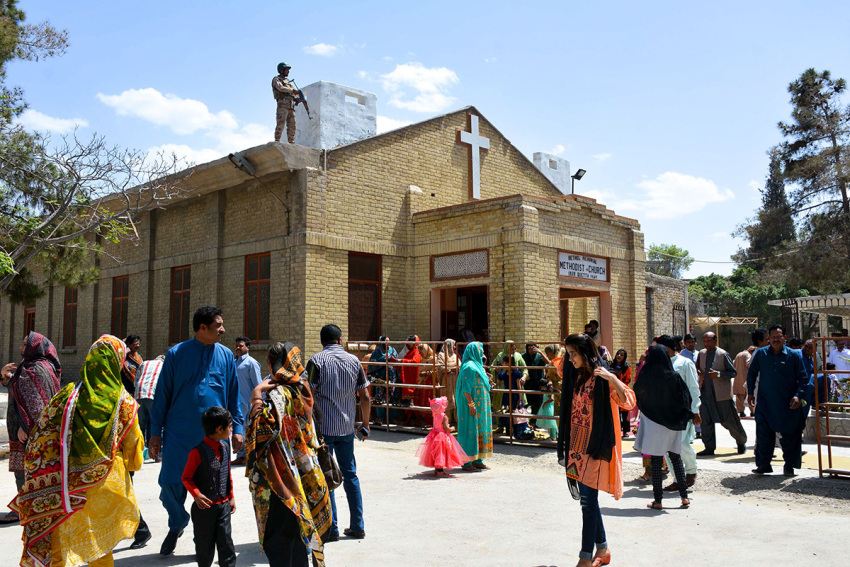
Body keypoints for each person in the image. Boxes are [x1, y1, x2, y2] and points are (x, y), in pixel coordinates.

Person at [13, 335, 144, 567]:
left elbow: (41, 436)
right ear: (117, 363)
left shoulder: (67, 396)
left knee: (60, 543)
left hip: (67, 487)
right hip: (107, 486)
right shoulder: (126, 403)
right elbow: (135, 456)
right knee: (101, 547)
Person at [149, 306, 244, 556]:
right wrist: (155, 433)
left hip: (215, 440)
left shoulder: (225, 356)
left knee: (212, 493)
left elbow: (234, 395)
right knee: (170, 485)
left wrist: (238, 428)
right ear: (202, 328)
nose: (223, 330)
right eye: (218, 325)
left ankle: (202, 544)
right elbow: (162, 396)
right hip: (179, 436)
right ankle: (177, 524)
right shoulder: (176, 354)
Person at [246, 341, 332, 567]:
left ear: (271, 364)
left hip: (280, 478)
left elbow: (257, 434)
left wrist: (256, 394)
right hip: (305, 473)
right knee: (297, 534)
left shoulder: (278, 394)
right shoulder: (303, 390)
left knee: (279, 536)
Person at [557, 333, 635, 567]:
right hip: (575, 449)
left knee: (588, 502)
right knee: (587, 501)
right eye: (568, 354)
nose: (570, 358)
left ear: (585, 353)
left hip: (594, 448)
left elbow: (629, 402)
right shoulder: (575, 375)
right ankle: (603, 548)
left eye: (573, 354)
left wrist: (613, 378)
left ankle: (584, 556)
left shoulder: (602, 378)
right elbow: (558, 365)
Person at [306, 324, 371, 541]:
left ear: (322, 341)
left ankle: (331, 528)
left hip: (323, 430)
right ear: (340, 340)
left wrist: (308, 425)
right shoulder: (354, 361)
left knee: (326, 477)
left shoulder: (316, 361)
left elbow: (309, 395)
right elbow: (365, 397)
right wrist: (365, 424)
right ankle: (357, 525)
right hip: (346, 429)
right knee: (350, 475)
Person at [0, 331, 61, 525]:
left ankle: (28, 511)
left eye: (26, 344)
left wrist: (25, 427)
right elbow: (19, 390)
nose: (21, 347)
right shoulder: (40, 366)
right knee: (33, 471)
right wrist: (3, 376)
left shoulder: (33, 369)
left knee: (26, 473)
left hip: (28, 433)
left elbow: (36, 404)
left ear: (34, 347)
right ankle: (33, 508)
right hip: (38, 432)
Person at [633, 343, 694, 510]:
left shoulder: (646, 376)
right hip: (673, 424)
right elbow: (685, 398)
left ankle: (658, 501)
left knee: (656, 462)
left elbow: (637, 391)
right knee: (676, 459)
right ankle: (684, 498)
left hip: (654, 424)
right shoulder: (674, 376)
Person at [747, 325, 808, 476]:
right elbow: (752, 373)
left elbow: (803, 378)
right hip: (765, 403)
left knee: (789, 437)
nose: (775, 339)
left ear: (784, 338)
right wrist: (750, 393)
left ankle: (789, 465)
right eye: (772, 337)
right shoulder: (761, 354)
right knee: (763, 435)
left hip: (787, 404)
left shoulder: (794, 356)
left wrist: (798, 396)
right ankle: (764, 465)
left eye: (778, 336)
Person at [695, 331, 748, 456]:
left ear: (715, 341)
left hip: (721, 395)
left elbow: (733, 373)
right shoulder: (701, 354)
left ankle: (741, 442)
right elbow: (697, 368)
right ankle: (709, 447)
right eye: (705, 341)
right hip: (705, 394)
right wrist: (699, 373)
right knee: (705, 422)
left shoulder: (723, 354)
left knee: (729, 421)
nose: (707, 343)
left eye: (709, 341)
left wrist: (719, 374)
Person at [661, 335, 701, 492]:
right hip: (665, 413)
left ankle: (691, 470)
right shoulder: (660, 365)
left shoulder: (685, 363)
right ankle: (678, 478)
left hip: (683, 411)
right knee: (667, 447)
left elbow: (693, 388)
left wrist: (695, 410)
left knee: (681, 444)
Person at [456, 341, 494, 472]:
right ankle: (467, 463)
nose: (482, 352)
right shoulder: (469, 367)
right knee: (470, 431)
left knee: (481, 430)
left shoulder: (478, 366)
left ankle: (478, 460)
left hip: (482, 407)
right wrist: (471, 405)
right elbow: (466, 389)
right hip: (472, 407)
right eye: (480, 350)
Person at [415, 396, 470, 477]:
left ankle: (437, 470)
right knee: (442, 453)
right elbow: (445, 427)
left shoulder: (435, 415)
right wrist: (452, 428)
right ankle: (440, 471)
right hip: (442, 436)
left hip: (435, 435)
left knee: (437, 453)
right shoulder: (443, 416)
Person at [233, 335, 263, 465]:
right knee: (239, 429)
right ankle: (240, 456)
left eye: (241, 346)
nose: (238, 348)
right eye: (237, 346)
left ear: (248, 347)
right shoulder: (234, 362)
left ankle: (248, 456)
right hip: (237, 402)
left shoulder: (251, 363)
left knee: (248, 429)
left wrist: (257, 402)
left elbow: (258, 384)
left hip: (248, 403)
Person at [734, 328, 769, 418]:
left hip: (739, 379)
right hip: (751, 381)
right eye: (767, 339)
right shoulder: (755, 354)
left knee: (740, 397)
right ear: (759, 341)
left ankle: (741, 412)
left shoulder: (739, 354)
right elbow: (751, 368)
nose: (769, 342)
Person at [136, 354, 165, 460]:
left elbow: (136, 378)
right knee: (155, 425)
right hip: (153, 394)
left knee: (140, 427)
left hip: (139, 393)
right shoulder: (164, 365)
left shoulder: (144, 363)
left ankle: (138, 454)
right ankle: (156, 455)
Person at [496, 354, 530, 439]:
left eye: (504, 362)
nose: (502, 364)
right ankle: (508, 432)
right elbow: (497, 383)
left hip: (514, 396)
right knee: (507, 412)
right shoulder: (503, 374)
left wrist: (519, 398)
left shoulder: (516, 373)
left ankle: (516, 432)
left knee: (515, 413)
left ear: (508, 363)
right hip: (507, 396)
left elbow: (519, 387)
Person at [522, 343, 550, 427]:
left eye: (532, 348)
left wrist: (540, 352)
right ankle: (524, 423)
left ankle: (533, 423)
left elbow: (548, 362)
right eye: (529, 349)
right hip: (527, 384)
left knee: (536, 405)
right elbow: (518, 367)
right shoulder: (523, 356)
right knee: (525, 404)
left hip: (537, 384)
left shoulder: (539, 357)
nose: (531, 351)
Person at [434, 339, 460, 426]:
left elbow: (460, 366)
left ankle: (457, 421)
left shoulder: (455, 355)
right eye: (453, 345)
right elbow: (441, 368)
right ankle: (446, 423)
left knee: (456, 400)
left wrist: (450, 367)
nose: (454, 347)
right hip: (446, 381)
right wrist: (452, 368)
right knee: (447, 401)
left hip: (455, 381)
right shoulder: (441, 355)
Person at [273, 62, 299, 143]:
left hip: (291, 106)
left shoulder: (288, 82)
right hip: (283, 105)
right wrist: (292, 91)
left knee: (292, 125)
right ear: (281, 70)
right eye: (287, 69)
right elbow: (281, 88)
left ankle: (291, 142)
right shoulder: (276, 79)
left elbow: (292, 93)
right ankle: (277, 141)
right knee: (281, 123)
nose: (288, 71)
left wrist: (297, 99)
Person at [399, 335, 422, 424]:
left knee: (415, 401)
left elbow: (415, 361)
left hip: (414, 379)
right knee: (407, 401)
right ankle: (408, 418)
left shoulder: (417, 352)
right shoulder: (408, 352)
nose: (407, 345)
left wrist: (402, 361)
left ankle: (418, 420)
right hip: (407, 379)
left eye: (409, 343)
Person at [611, 349, 632, 438]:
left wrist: (620, 375)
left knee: (624, 413)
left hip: (622, 390)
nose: (619, 356)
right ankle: (616, 430)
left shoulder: (627, 367)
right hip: (614, 391)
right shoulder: (612, 365)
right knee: (615, 412)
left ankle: (625, 432)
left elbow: (628, 380)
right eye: (618, 354)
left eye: (621, 355)